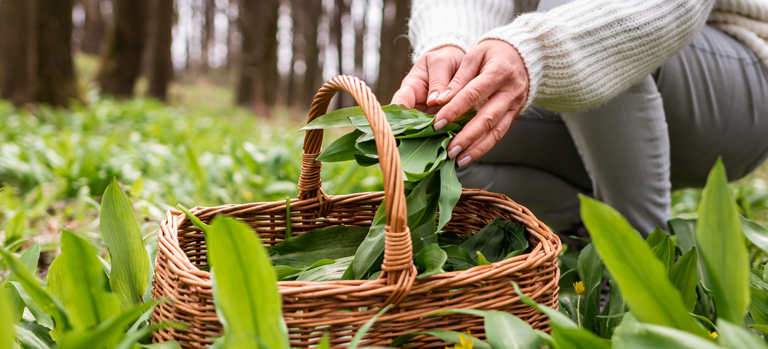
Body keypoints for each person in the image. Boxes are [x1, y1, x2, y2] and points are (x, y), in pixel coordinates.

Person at [392, 0, 768, 236]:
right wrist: (451, 45)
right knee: (441, 143)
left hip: (734, 86)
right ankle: (591, 228)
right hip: (584, 100)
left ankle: (641, 258)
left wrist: (536, 48)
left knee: (571, 7)